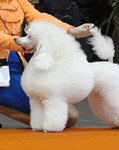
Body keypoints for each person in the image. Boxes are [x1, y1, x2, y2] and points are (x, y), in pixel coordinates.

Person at [0, 0, 94, 128]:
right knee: (55, 116)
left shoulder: (19, 1)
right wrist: (21, 44)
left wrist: (71, 30)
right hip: (5, 68)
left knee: (69, 117)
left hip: (17, 67)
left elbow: (39, 17)